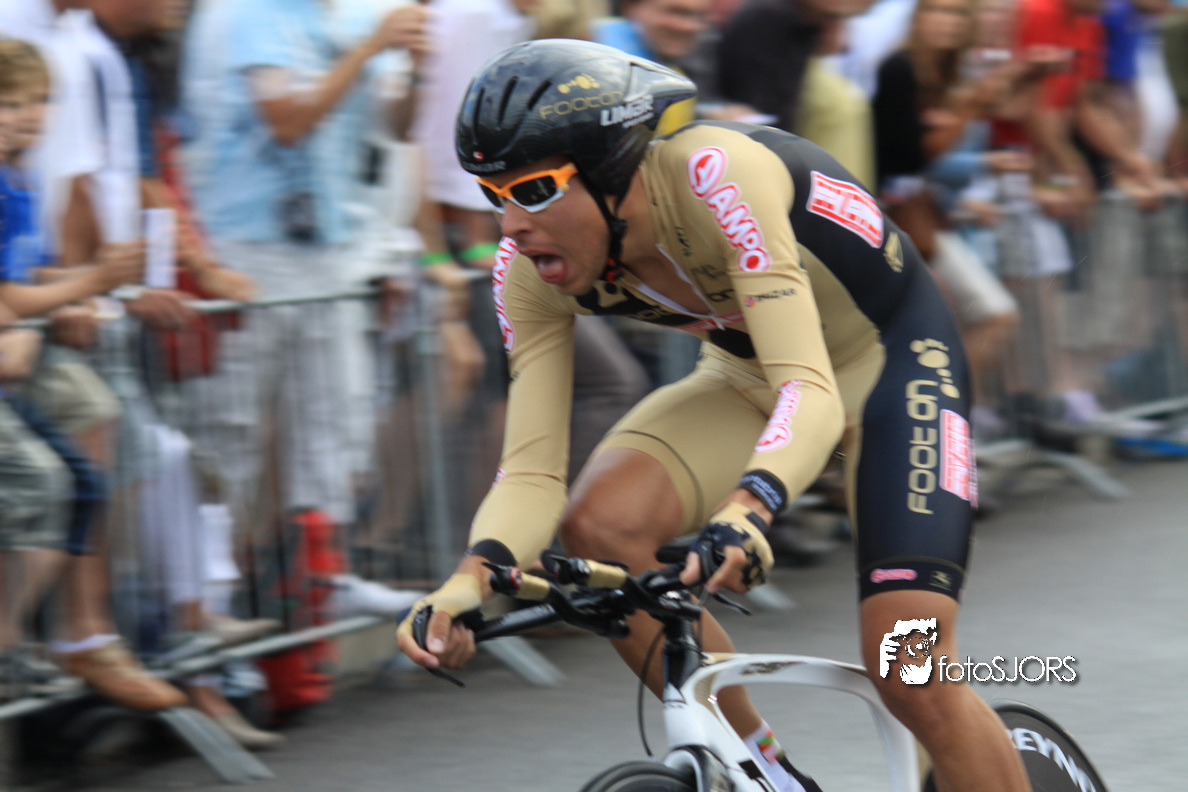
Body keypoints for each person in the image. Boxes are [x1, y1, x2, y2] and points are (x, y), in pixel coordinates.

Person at [397, 40, 1029, 792]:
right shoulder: (526, 272)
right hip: (747, 378)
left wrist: (749, 506)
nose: (510, 225)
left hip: (893, 370)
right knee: (601, 527)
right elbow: (530, 470)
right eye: (493, 194)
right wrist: (467, 581)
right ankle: (767, 773)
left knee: (909, 667)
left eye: (532, 190)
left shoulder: (717, 177)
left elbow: (811, 387)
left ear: (611, 170)